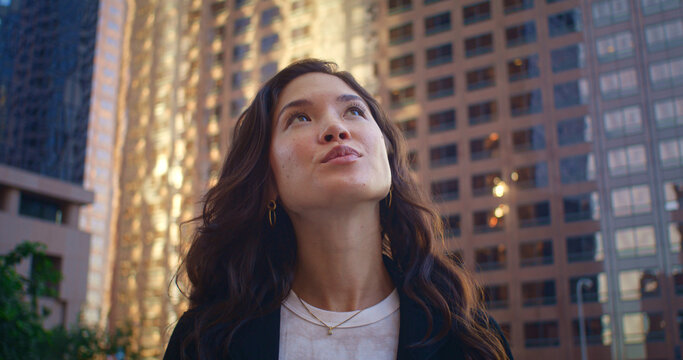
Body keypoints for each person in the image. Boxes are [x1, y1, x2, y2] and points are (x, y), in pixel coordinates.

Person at [164, 59, 513, 360]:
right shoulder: (205, 342)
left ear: (387, 159)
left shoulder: (471, 340)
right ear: (267, 180)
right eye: (300, 118)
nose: (336, 128)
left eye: (354, 111)